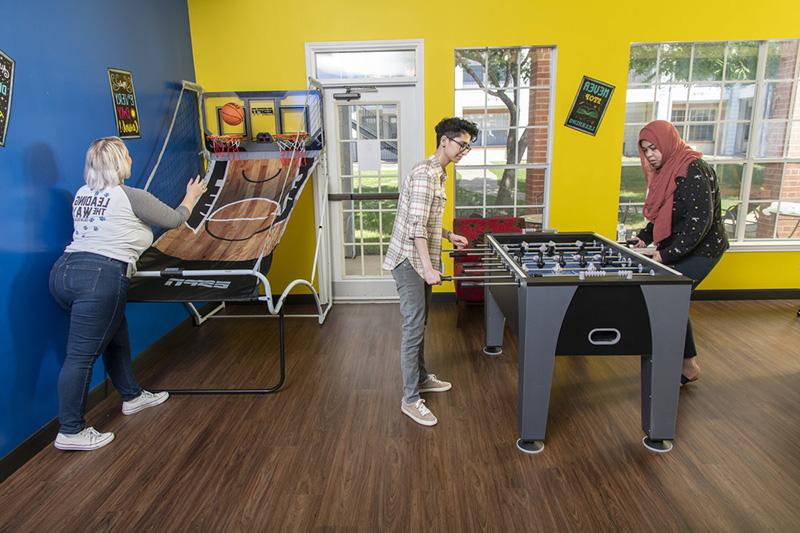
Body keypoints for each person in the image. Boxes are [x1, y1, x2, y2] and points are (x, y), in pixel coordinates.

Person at [49, 136, 206, 450]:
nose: (131, 159)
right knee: (81, 357)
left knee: (115, 335)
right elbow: (175, 219)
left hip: (64, 273)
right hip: (100, 278)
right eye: (127, 155)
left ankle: (132, 396)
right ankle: (71, 430)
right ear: (119, 162)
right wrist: (192, 195)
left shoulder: (83, 194)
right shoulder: (131, 195)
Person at [383, 117, 477, 426]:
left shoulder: (440, 174)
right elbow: (415, 229)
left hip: (420, 258)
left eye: (468, 145)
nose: (466, 149)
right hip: (409, 260)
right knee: (413, 327)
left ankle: (421, 378)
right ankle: (410, 399)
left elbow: (428, 219)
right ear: (445, 142)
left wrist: (449, 236)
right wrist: (427, 268)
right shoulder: (425, 175)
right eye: (462, 144)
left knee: (420, 323)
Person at [631, 120, 729, 386]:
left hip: (704, 249)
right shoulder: (666, 171)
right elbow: (666, 212)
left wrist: (665, 255)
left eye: (654, 148)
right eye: (645, 149)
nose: (650, 154)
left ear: (668, 142)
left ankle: (686, 365)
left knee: (668, 296)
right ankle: (687, 364)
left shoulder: (694, 169)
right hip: (680, 245)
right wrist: (644, 237)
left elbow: (700, 222)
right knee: (671, 297)